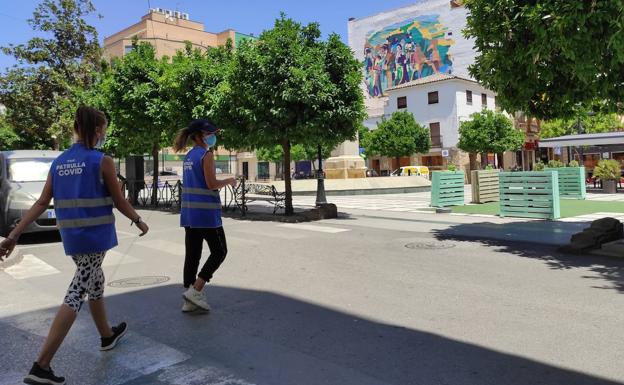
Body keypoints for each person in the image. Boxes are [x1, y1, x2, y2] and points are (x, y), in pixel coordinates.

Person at [0, 106, 149, 385]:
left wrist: (14, 234)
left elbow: (43, 202)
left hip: (72, 239)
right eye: (103, 129)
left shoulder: (59, 163)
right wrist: (138, 220)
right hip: (95, 239)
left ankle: (106, 335)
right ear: (96, 130)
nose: (105, 133)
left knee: (95, 281)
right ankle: (41, 365)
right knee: (76, 292)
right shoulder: (102, 160)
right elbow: (119, 201)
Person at [172, 119, 236, 313]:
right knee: (220, 251)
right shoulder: (206, 155)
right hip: (206, 214)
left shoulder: (189, 156)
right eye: (210, 134)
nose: (213, 137)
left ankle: (188, 298)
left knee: (192, 254)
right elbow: (211, 183)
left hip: (190, 214)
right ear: (200, 135)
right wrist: (229, 180)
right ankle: (197, 289)